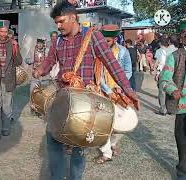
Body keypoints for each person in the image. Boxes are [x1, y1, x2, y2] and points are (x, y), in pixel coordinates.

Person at [32, 2, 139, 179]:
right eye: (56, 23)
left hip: (85, 104)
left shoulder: (93, 36)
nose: (58, 26)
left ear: (73, 17)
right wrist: (40, 70)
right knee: (52, 139)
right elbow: (50, 61)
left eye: (61, 21)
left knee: (78, 148)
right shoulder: (57, 40)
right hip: (62, 99)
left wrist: (128, 90)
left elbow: (112, 64)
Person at [95, 24, 132, 164]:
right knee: (102, 123)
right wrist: (108, 90)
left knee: (120, 122)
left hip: (119, 91)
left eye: (108, 41)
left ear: (115, 39)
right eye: (103, 41)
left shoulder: (123, 52)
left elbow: (128, 71)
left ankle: (113, 143)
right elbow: (98, 75)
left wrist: (119, 85)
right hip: (103, 92)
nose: (104, 44)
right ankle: (106, 153)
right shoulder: (98, 53)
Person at [159, 20, 186, 180]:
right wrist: (173, 89)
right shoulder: (175, 57)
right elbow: (164, 80)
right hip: (183, 109)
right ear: (183, 38)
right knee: (183, 151)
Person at [165, 35, 181, 115]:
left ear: (169, 41)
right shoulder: (178, 51)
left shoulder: (166, 50)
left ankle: (164, 108)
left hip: (167, 72)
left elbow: (161, 62)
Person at [154, 37, 170, 115]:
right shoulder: (172, 50)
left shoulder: (159, 51)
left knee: (162, 92)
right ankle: (169, 108)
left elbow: (158, 62)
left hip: (162, 72)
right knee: (169, 91)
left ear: (160, 43)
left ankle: (163, 110)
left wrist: (155, 71)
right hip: (171, 73)